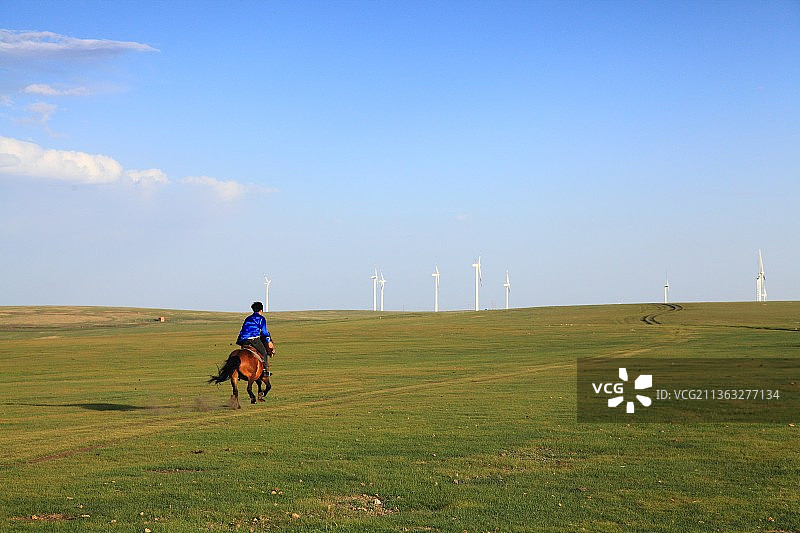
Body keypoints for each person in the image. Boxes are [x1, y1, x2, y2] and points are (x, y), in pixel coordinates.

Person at [236, 301, 274, 378]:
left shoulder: (248, 318)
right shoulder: (261, 319)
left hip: (243, 340)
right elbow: (264, 332)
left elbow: (243, 329)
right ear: (261, 310)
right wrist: (268, 341)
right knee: (264, 353)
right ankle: (265, 371)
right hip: (253, 339)